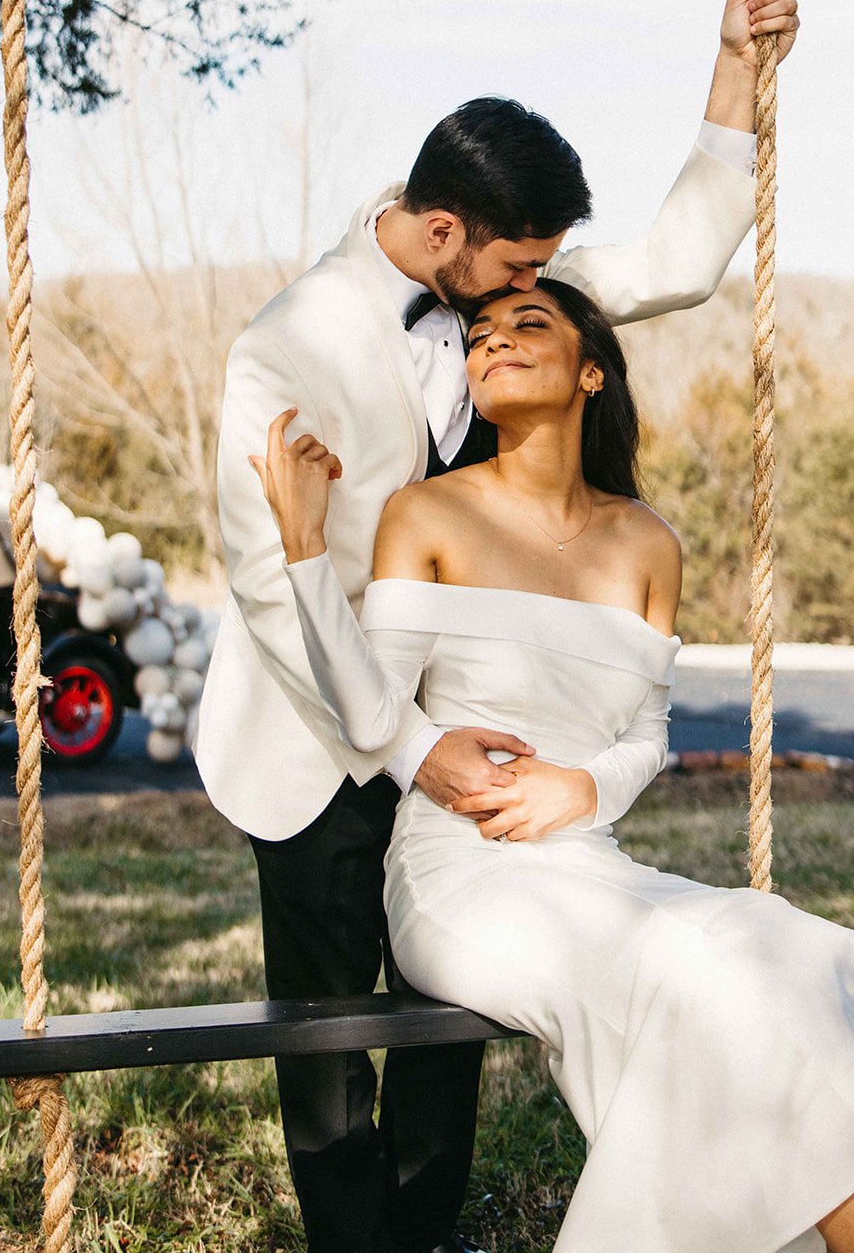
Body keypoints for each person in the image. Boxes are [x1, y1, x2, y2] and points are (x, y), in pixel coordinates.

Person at [194, 0, 800, 1253]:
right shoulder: (286, 345)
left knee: (446, 1037)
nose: (544, 286)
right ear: (443, 233)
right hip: (313, 736)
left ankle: (426, 1236)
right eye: (523, 261)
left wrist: (738, 68)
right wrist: (417, 751)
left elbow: (681, 257)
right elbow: (266, 579)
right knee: (330, 1050)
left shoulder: (510, 298)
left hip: (464, 713)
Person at [248, 276, 854, 1253]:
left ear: (589, 372)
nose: (491, 341)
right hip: (457, 876)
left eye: (526, 324)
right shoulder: (425, 513)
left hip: (591, 861)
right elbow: (371, 711)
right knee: (698, 965)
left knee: (779, 942)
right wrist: (305, 549)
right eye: (478, 333)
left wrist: (581, 787)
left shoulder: (646, 542)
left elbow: (646, 736)